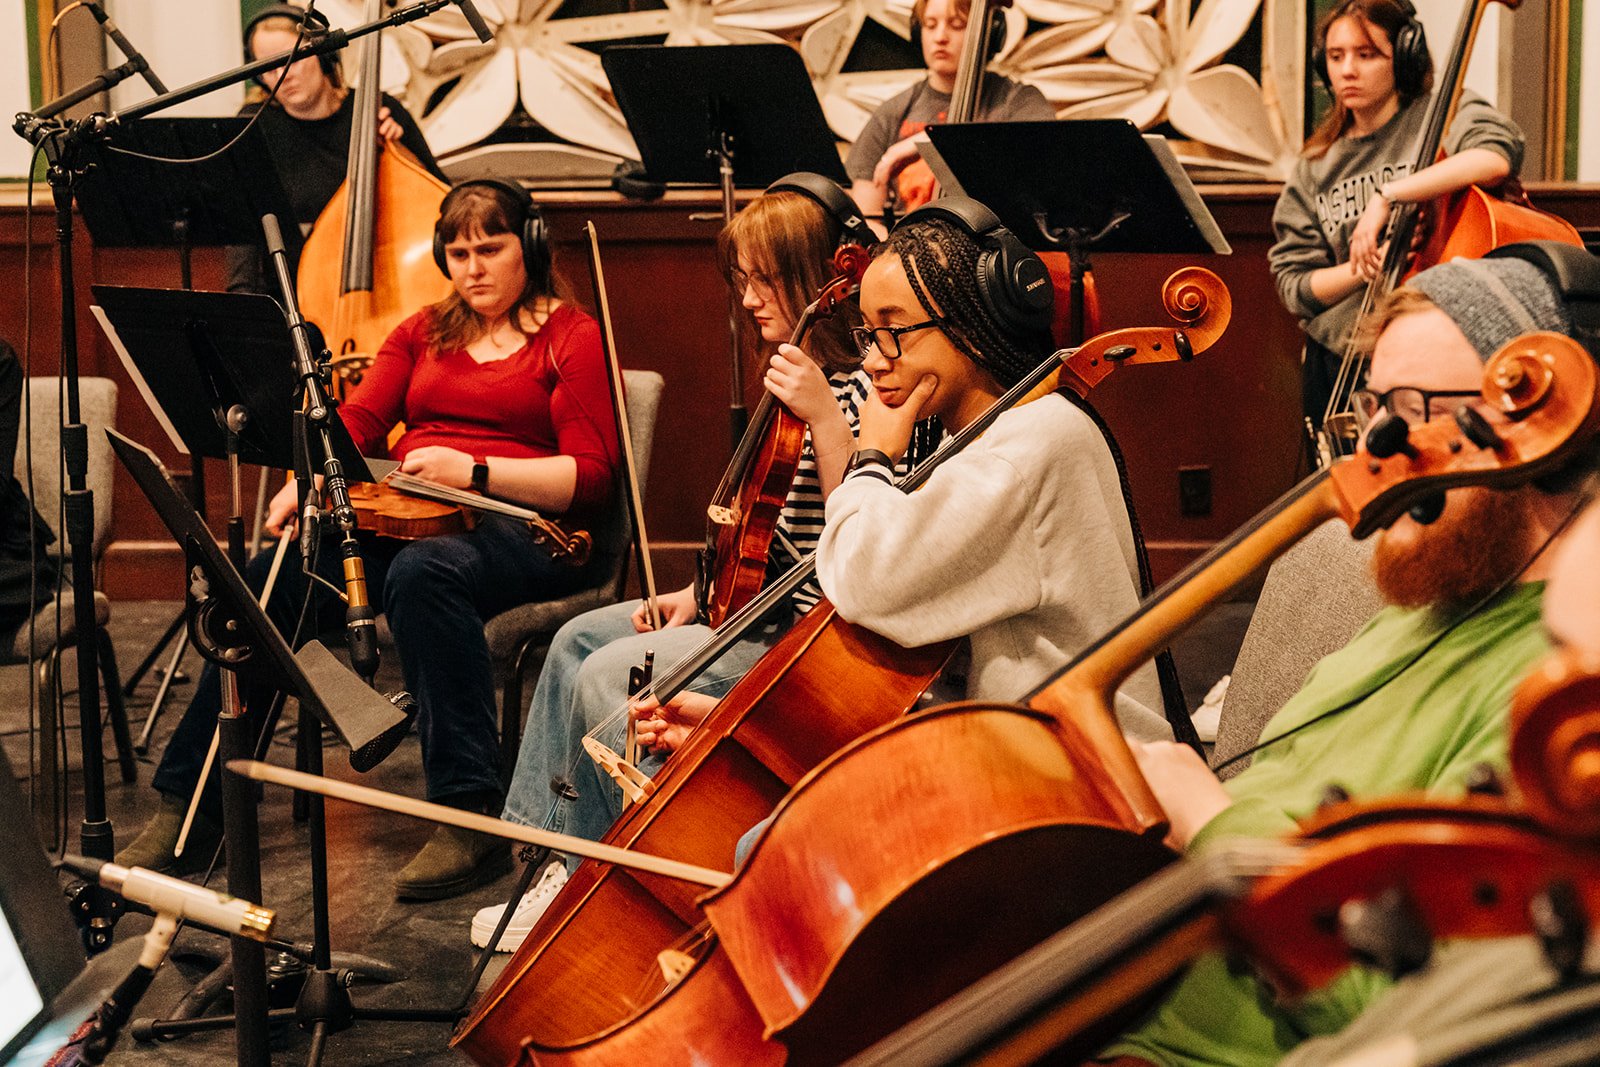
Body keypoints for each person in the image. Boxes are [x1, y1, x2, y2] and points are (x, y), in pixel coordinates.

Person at [1094, 250, 1597, 1067]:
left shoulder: (1558, 704)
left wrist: (1213, 818)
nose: (1373, 452)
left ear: (1539, 435)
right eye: (1371, 410)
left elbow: (1418, 1007)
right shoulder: (1426, 598)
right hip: (1126, 986)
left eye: (1412, 409)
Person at [118, 180, 619, 902]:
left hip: (528, 528)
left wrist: (475, 468)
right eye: (458, 252)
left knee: (424, 574)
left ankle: (467, 811)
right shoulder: (423, 330)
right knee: (278, 572)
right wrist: (306, 480)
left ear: (531, 247)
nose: (473, 267)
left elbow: (592, 477)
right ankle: (191, 805)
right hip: (413, 511)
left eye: (491, 247)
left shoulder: (571, 335)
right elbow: (353, 421)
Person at [466, 176, 929, 950]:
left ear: (816, 275)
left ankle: (605, 877)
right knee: (576, 641)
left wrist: (823, 414)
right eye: (740, 280)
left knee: (608, 675)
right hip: (747, 599)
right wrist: (695, 586)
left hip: (807, 629)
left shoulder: (866, 387)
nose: (747, 297)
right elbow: (763, 522)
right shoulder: (792, 365)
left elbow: (862, 533)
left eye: (763, 278)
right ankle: (549, 854)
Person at [631, 202, 1172, 859]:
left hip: (1066, 778)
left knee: (765, 849)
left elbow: (864, 580)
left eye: (897, 331)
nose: (876, 361)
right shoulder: (987, 434)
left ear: (970, 325)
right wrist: (743, 730)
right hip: (999, 744)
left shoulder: (1029, 445)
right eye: (868, 333)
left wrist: (871, 458)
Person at [1268, 0, 1525, 438]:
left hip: (1429, 368)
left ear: (1403, 57)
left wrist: (1390, 195)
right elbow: (1295, 285)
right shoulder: (1315, 166)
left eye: (1366, 55)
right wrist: (1365, 265)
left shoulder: (1442, 116)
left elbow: (1496, 156)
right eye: (1336, 56)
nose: (1348, 70)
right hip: (1340, 370)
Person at [225, 3, 443, 294]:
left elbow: (440, 199)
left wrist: (398, 152)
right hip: (294, 293)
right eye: (267, 67)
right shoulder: (255, 124)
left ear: (324, 57)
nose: (282, 75)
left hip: (385, 285)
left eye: (293, 60)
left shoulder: (378, 110)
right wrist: (242, 298)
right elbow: (242, 223)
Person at [845, 0, 1054, 231]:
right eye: (930, 25)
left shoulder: (1019, 101)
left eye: (956, 25)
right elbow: (869, 217)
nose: (940, 37)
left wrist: (928, 141)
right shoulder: (893, 112)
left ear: (989, 33)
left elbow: (1042, 166)